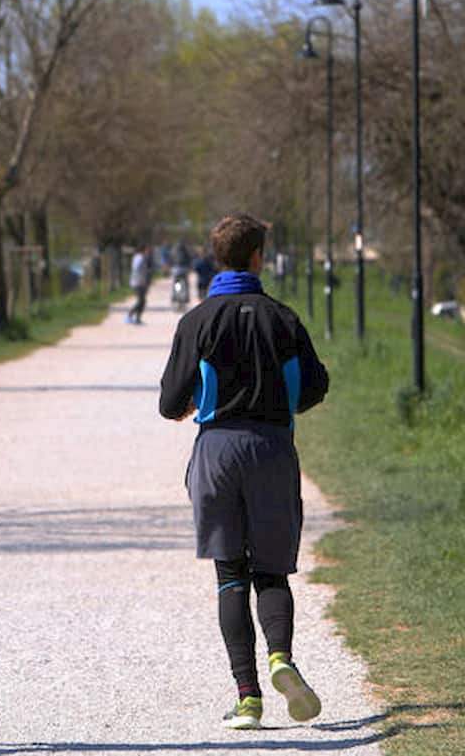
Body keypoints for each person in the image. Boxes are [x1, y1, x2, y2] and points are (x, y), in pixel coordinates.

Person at [158, 213, 329, 730]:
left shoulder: (197, 321)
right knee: (271, 571)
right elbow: (314, 388)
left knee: (230, 574)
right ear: (258, 258)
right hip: (272, 448)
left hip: (217, 452)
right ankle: (282, 658)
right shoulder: (283, 319)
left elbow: (170, 402)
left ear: (217, 258)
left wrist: (193, 402)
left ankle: (248, 697)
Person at [127, 245, 152, 324]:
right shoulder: (140, 258)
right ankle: (130, 315)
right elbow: (136, 268)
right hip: (137, 282)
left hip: (141, 282)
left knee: (142, 301)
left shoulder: (140, 258)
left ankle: (137, 318)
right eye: (147, 250)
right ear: (143, 250)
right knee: (141, 301)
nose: (148, 252)